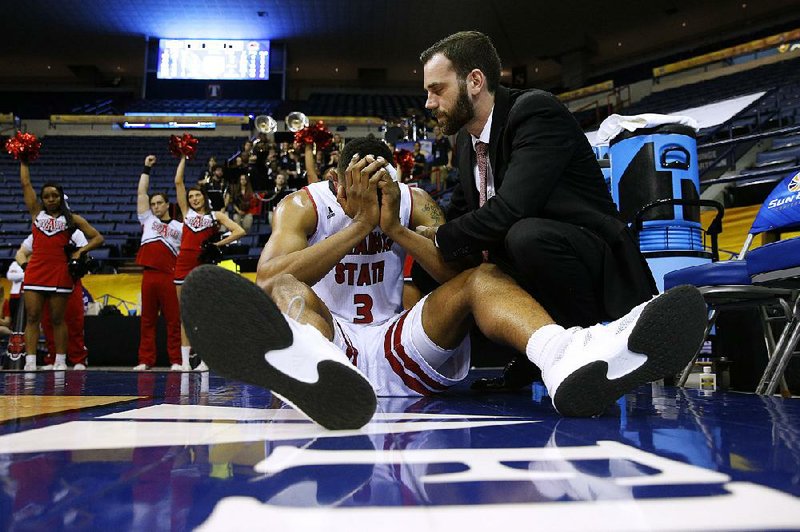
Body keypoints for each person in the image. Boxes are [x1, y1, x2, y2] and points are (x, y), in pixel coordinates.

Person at [178, 137, 706, 430]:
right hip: (333, 340)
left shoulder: (414, 201)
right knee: (291, 292)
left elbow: (460, 278)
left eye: (381, 180)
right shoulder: (303, 203)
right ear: (336, 181)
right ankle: (312, 372)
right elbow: (268, 278)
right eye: (359, 183)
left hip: (394, 341)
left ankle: (565, 357)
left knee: (483, 278)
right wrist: (358, 228)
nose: (373, 191)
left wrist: (395, 229)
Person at [419, 31, 658, 390]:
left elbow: (511, 209)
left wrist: (438, 236)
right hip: (532, 260)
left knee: (523, 236)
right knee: (438, 265)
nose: (429, 102)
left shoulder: (534, 111)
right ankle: (534, 356)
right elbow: (459, 215)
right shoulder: (467, 144)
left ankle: (587, 349)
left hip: (589, 258)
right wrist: (408, 225)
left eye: (437, 89)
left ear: (475, 81)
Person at [18, 160, 103, 370]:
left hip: (60, 272)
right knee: (33, 317)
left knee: (58, 319)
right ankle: (30, 362)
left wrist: (80, 251)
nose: (50, 199)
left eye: (54, 195)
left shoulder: (72, 219)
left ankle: (60, 361)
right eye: (46, 196)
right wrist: (24, 161)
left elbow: (97, 238)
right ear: (42, 199)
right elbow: (25, 184)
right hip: (36, 270)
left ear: (61, 197)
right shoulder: (37, 214)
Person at [174, 154, 246, 371]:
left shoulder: (216, 216)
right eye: (191, 196)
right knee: (185, 314)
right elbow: (178, 182)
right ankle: (185, 362)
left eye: (197, 195)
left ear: (204, 197)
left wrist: (218, 244)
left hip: (204, 266)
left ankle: (205, 360)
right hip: (183, 264)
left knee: (204, 313)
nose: (194, 199)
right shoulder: (185, 213)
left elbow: (240, 230)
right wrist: (184, 157)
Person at [133, 155, 184, 371]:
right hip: (149, 275)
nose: (154, 206)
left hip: (169, 276)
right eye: (153, 204)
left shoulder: (180, 227)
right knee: (147, 320)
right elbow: (141, 193)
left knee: (173, 320)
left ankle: (176, 360)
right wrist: (146, 168)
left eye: (159, 203)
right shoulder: (148, 220)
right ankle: (145, 360)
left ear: (167, 204)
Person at [17, 231, 91, 370]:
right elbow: (20, 253)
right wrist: (27, 268)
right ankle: (52, 357)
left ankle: (78, 358)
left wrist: (75, 260)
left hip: (68, 278)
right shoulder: (38, 233)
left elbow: (84, 251)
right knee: (47, 320)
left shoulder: (73, 232)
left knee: (73, 319)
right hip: (43, 280)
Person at [429, 125, 452, 192]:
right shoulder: (434, 142)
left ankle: (443, 196)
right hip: (435, 164)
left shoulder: (445, 140)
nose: (435, 131)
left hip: (443, 163)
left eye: (437, 129)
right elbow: (432, 154)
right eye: (434, 130)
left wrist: (449, 162)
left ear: (440, 130)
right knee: (433, 181)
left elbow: (449, 151)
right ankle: (435, 196)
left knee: (443, 180)